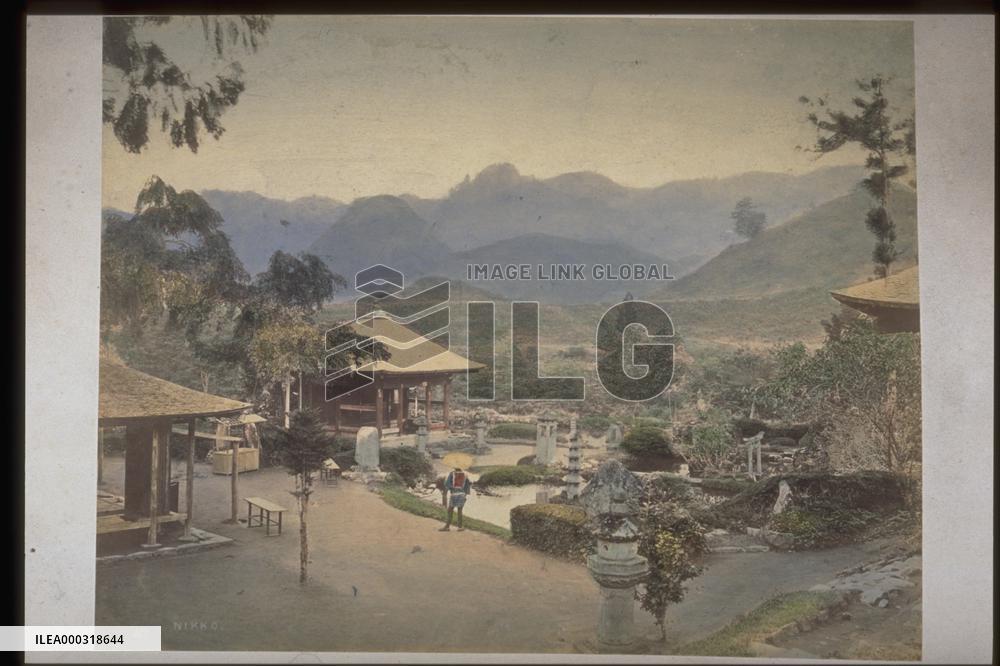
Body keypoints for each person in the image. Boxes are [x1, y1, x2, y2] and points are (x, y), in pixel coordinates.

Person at [439, 467, 472, 531]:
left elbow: (447, 485)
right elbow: (468, 486)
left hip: (454, 494)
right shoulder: (465, 474)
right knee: (460, 511)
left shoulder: (452, 474)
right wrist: (465, 495)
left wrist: (446, 492)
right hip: (462, 494)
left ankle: (447, 526)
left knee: (450, 510)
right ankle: (460, 527)